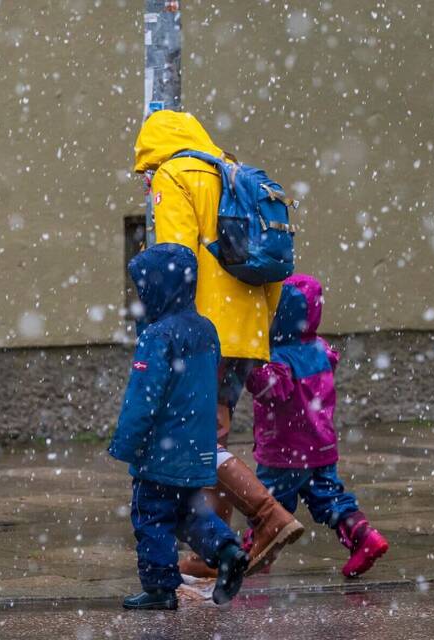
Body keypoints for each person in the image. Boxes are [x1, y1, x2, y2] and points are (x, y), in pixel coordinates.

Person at [133, 110, 304, 577]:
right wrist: (256, 328)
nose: (147, 183)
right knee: (216, 432)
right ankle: (218, 554)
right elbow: (273, 264)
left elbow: (175, 262)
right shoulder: (232, 171)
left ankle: (268, 516)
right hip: (245, 327)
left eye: (145, 173)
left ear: (155, 157)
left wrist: (169, 334)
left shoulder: (175, 174)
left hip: (202, 329)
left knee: (199, 439)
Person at [108, 243, 248, 610]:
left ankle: (159, 588)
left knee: (151, 513)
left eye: (144, 288)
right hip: (195, 446)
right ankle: (228, 549)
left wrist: (127, 443)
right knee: (189, 512)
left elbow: (144, 397)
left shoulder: (158, 336)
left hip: (161, 448)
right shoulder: (206, 329)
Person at [244, 274, 389, 577]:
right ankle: (363, 536)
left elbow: (271, 390)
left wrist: (248, 368)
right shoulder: (320, 349)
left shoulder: (279, 359)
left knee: (267, 506)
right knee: (329, 498)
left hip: (284, 452)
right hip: (321, 447)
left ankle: (253, 554)